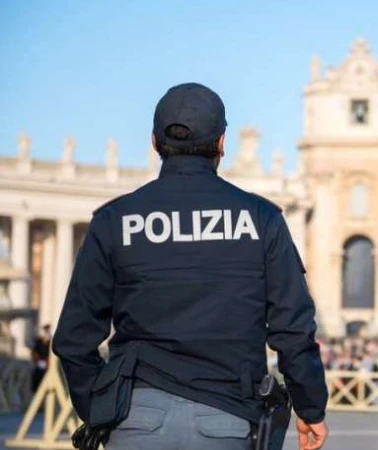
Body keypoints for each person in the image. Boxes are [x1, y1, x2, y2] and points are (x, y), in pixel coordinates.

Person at [52, 83, 328, 450]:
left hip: (135, 418)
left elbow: (73, 338)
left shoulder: (114, 220)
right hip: (227, 416)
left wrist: (102, 408)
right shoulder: (261, 219)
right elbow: (293, 329)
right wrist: (311, 407)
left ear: (154, 142)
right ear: (221, 144)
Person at [30, 324, 51, 393]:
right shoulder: (38, 341)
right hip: (39, 363)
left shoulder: (50, 342)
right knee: (36, 378)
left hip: (48, 364)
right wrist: (36, 360)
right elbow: (34, 352)